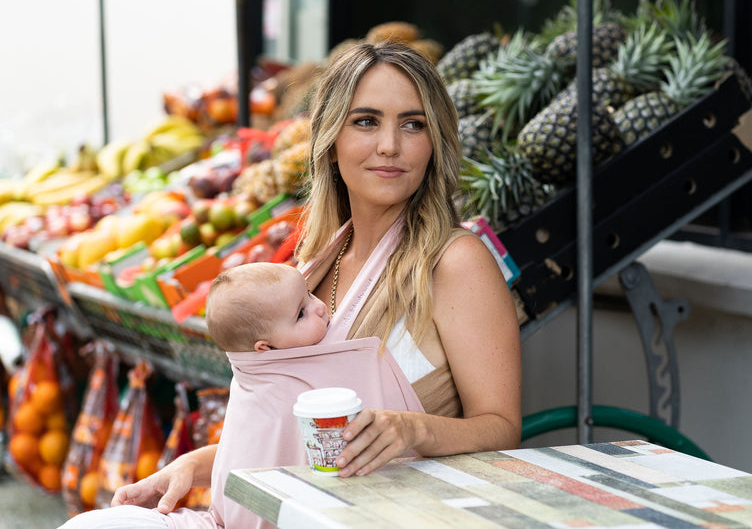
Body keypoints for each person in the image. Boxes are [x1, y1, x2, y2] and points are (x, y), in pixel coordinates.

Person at [59, 41, 521, 528]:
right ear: (330, 138)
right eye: (365, 121)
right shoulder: (313, 263)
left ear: (435, 142)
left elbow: (502, 429)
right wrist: (196, 465)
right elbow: (299, 440)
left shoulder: (456, 262)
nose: (390, 145)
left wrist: (413, 430)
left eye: (413, 124)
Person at [204, 261, 329, 352]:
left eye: (309, 293)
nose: (320, 306)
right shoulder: (285, 383)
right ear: (267, 347)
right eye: (301, 314)